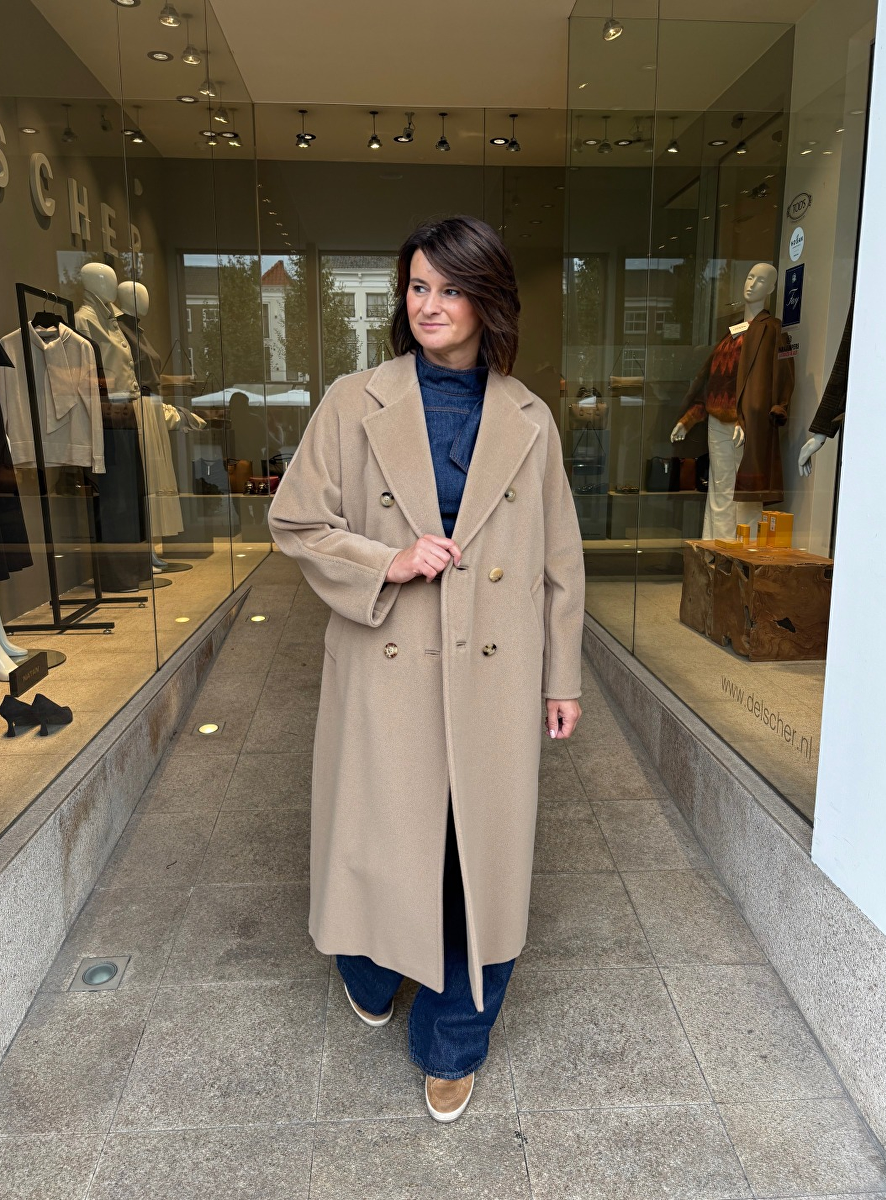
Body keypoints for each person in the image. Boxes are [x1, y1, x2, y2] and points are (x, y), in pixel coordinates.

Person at [268, 215, 585, 1123]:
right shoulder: (353, 401)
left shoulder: (529, 417)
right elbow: (297, 522)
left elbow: (560, 557)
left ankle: (454, 1039)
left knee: (474, 854)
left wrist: (561, 677)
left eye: (450, 289)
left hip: (495, 666)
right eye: (417, 287)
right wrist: (388, 562)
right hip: (389, 663)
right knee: (384, 835)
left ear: (488, 301)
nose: (429, 305)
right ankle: (370, 965)